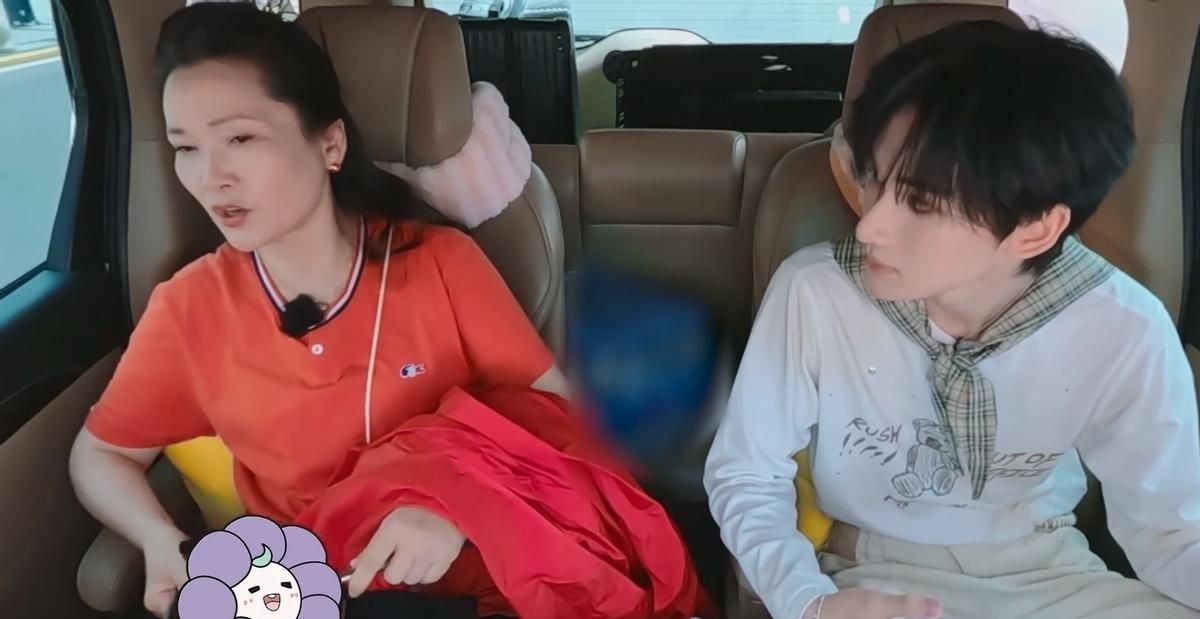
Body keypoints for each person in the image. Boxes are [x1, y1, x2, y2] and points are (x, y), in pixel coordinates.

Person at [66, 3, 573, 617]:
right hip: (302, 589)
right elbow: (102, 454)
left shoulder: (441, 263)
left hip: (469, 584)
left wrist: (458, 505)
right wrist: (157, 537)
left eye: (240, 138)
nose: (210, 177)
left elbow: (559, 416)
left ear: (330, 143)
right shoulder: (189, 306)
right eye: (186, 147)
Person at [704, 19, 1200, 619]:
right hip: (868, 573)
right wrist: (810, 603)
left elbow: (1174, 533)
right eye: (874, 179)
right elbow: (747, 477)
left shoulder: (1124, 327)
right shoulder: (815, 292)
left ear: (1034, 228)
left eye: (920, 202)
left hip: (1053, 575)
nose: (869, 224)